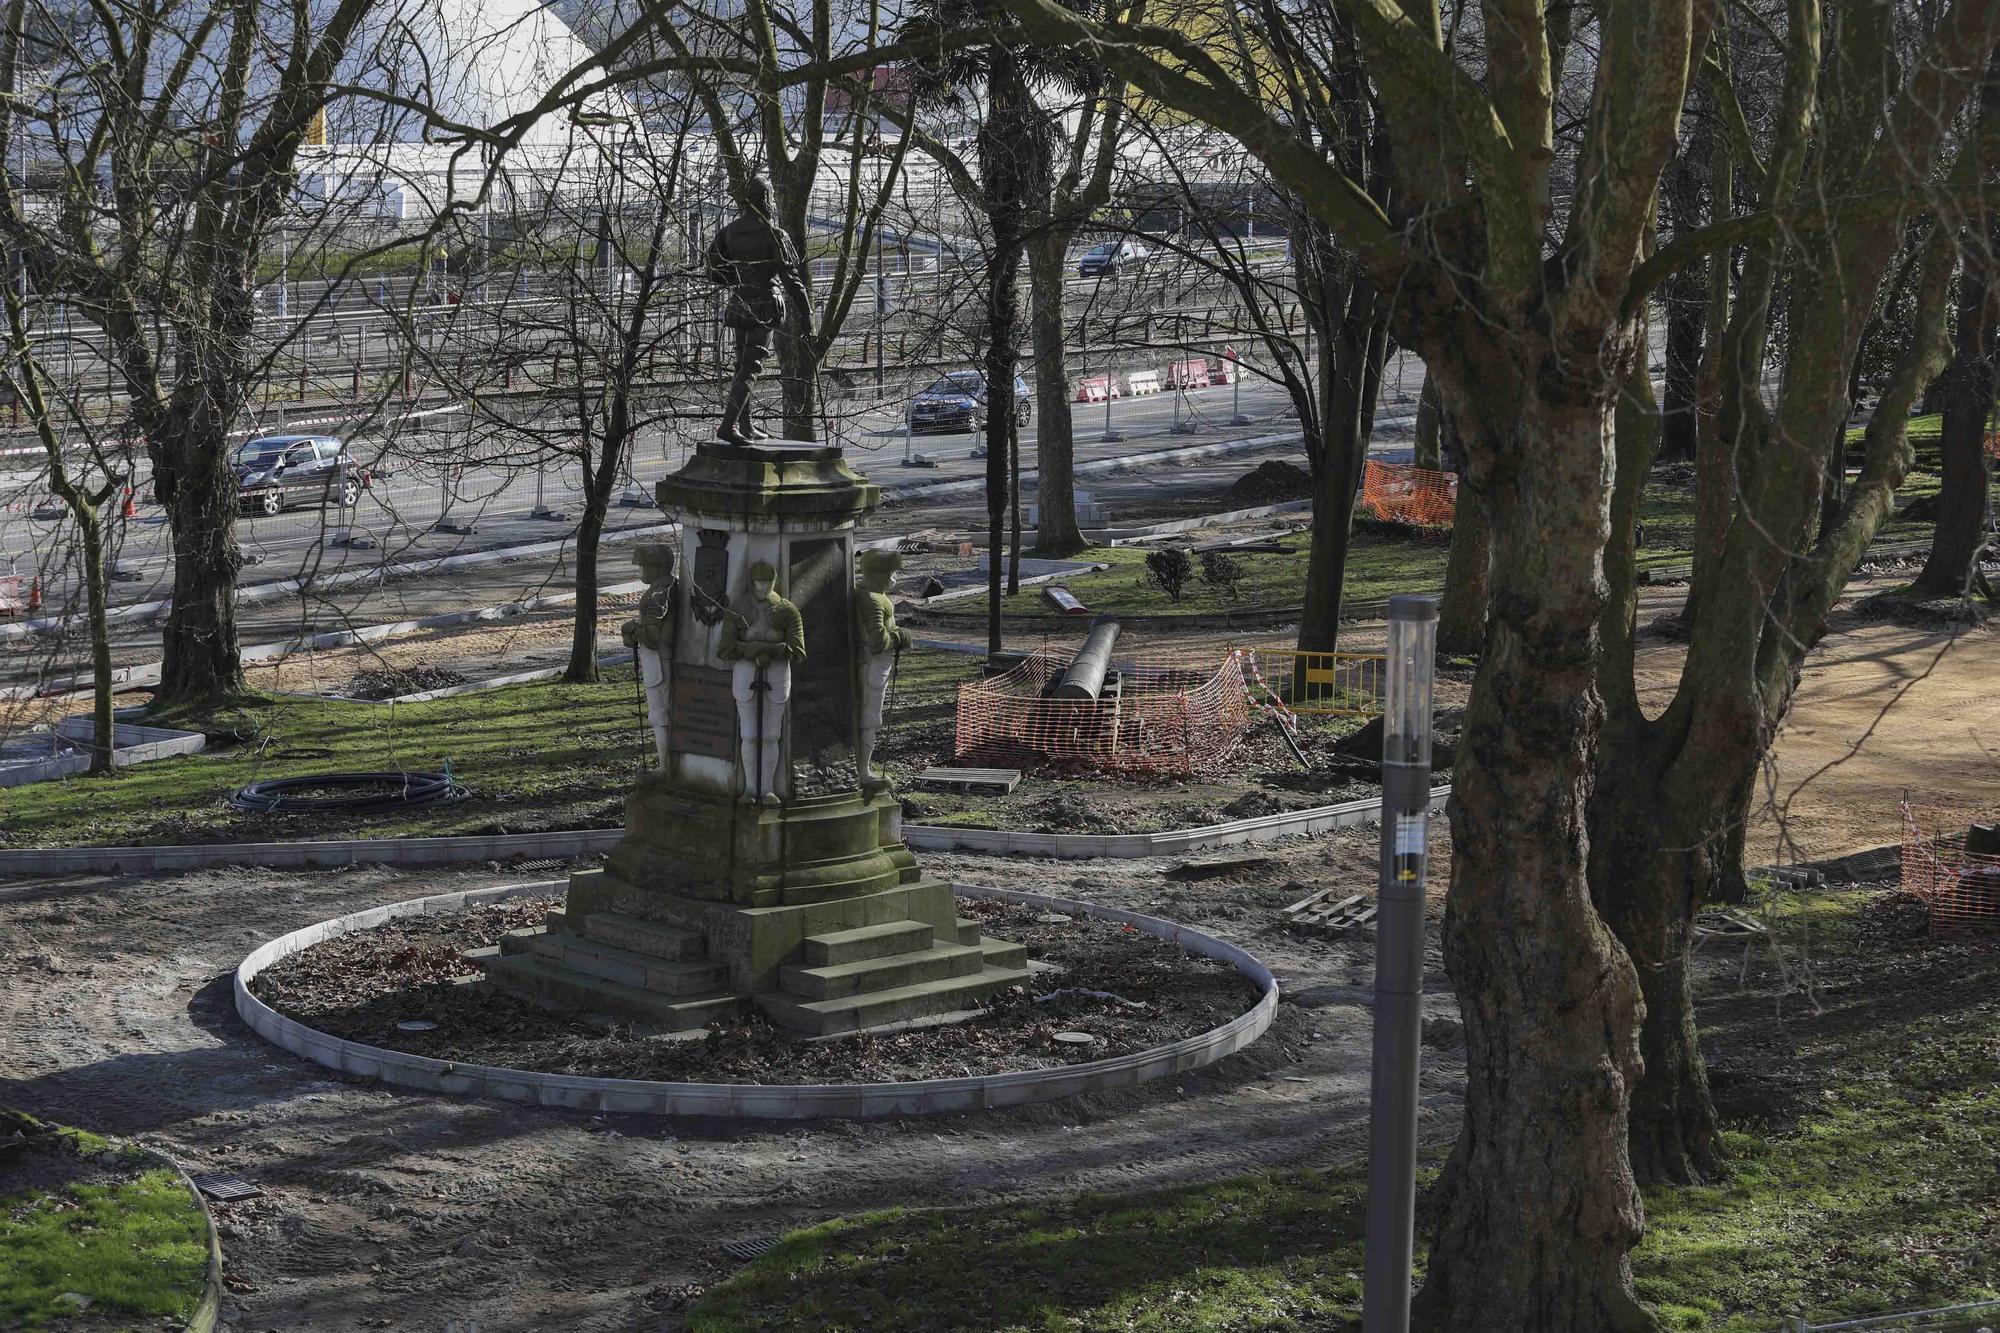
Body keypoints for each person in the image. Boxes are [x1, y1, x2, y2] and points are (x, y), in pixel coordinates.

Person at [704, 175, 812, 446]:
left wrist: (739, 277)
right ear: (765, 201)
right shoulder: (774, 235)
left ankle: (745, 424)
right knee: (750, 367)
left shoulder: (728, 233)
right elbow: (792, 280)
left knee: (741, 366)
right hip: (765, 304)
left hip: (739, 303)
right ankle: (728, 426)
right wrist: (807, 315)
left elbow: (714, 272)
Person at [717, 560, 806, 804]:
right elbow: (725, 649)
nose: (763, 586)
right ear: (752, 581)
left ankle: (767, 789)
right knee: (749, 734)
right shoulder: (738, 609)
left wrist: (774, 650)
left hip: (777, 671)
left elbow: (798, 649)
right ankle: (749, 788)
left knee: (770, 734)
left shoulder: (787, 609)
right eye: (759, 581)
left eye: (768, 582)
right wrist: (749, 649)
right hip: (746, 670)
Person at [853, 549, 912, 793]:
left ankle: (862, 769)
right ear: (880, 574)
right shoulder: (872, 599)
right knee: (869, 720)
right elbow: (877, 641)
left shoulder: (875, 595)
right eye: (892, 572)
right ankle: (862, 771)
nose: (895, 577)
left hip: (879, 666)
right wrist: (900, 636)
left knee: (871, 720)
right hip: (873, 666)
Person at [620, 544, 678, 769]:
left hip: (659, 664)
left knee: (659, 717)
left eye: (643, 566)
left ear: (656, 567)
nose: (640, 571)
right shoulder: (670, 586)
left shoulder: (655, 596)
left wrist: (632, 629)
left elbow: (653, 637)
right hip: (665, 661)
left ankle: (666, 768)